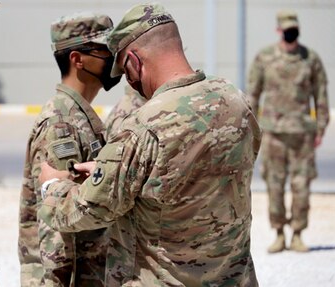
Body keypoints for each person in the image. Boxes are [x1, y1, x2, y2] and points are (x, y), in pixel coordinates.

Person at [38, 3, 261, 286]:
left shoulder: (143, 126)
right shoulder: (236, 101)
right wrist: (111, 170)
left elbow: (84, 210)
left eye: (125, 73)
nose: (130, 83)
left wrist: (52, 186)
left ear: (134, 61)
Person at [18, 12, 121, 286]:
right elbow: (56, 220)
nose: (114, 57)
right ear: (77, 59)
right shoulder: (60, 122)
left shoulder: (79, 115)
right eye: (105, 50)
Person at [247, 10, 329, 253]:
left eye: (294, 28)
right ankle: (279, 233)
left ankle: (298, 234)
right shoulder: (264, 58)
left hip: (302, 133)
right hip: (273, 133)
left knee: (301, 185)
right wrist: (252, 128)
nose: (291, 33)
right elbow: (253, 94)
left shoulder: (310, 59)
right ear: (278, 30)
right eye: (286, 29)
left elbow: (321, 95)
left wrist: (321, 127)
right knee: (274, 184)